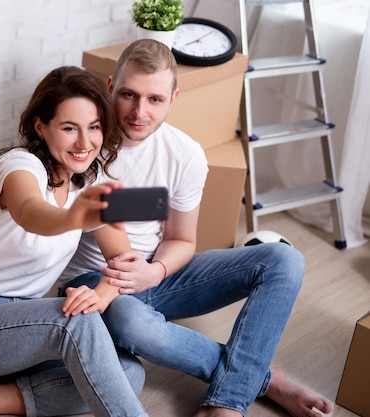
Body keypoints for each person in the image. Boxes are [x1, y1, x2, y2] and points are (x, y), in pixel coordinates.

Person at [59, 39, 333, 417]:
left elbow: (182, 240)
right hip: (97, 282)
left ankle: (226, 398)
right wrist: (126, 279)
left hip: (160, 274)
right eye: (128, 95)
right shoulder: (82, 143)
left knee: (285, 261)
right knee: (131, 321)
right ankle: (260, 380)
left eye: (155, 99)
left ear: (173, 99)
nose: (140, 112)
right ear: (110, 87)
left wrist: (154, 271)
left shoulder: (185, 155)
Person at [0, 65, 149, 417]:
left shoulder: (90, 183)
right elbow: (30, 212)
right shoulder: (17, 165)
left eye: (93, 127)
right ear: (40, 127)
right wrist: (76, 217)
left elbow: (125, 261)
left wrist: (101, 293)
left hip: (22, 324)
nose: (85, 142)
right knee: (76, 320)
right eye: (69, 128)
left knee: (130, 372)